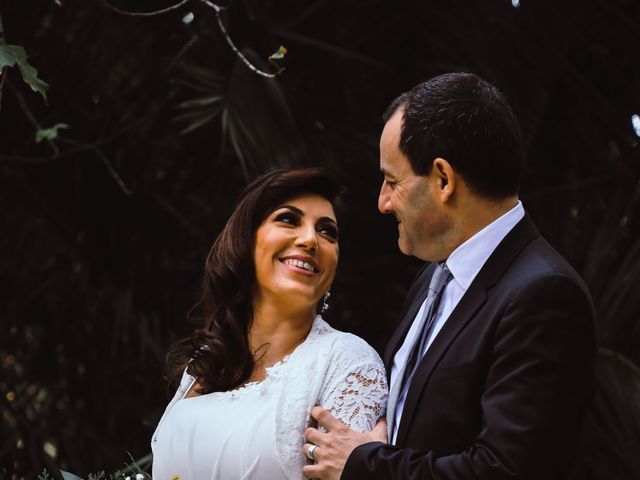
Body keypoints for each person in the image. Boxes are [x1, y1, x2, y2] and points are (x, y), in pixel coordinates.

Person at [302, 73, 596, 480]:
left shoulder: (543, 293)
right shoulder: (433, 277)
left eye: (392, 181)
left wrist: (362, 466)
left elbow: (508, 471)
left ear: (443, 179)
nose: (382, 202)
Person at [150, 167, 388, 480]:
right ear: (245, 241)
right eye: (288, 219)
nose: (310, 240)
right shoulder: (207, 361)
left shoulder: (347, 361)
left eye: (327, 231)